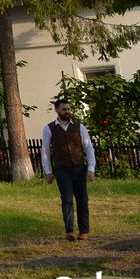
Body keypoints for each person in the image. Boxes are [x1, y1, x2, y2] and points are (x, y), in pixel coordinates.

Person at [41, 97, 97, 242]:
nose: (67, 112)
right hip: (61, 169)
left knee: (82, 199)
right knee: (66, 199)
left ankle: (84, 231)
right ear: (57, 110)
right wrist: (47, 171)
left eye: (68, 109)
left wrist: (91, 168)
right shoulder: (49, 128)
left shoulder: (79, 127)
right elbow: (45, 151)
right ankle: (70, 231)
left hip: (79, 168)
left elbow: (88, 148)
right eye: (64, 109)